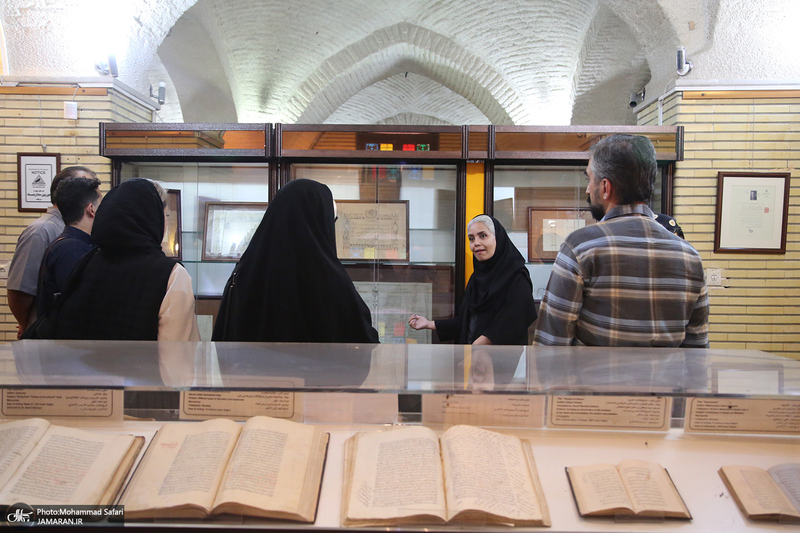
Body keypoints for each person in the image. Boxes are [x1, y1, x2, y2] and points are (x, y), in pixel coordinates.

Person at [533, 134, 708, 347]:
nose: (588, 189)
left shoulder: (581, 247)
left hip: (592, 380)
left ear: (605, 187)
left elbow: (551, 343)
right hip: (668, 381)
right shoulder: (690, 255)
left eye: (589, 179)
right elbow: (697, 351)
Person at [212, 179, 379, 343]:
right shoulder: (328, 279)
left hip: (251, 369)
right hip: (311, 370)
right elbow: (360, 339)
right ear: (320, 222)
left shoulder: (245, 271)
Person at [41, 178, 199, 341]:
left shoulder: (87, 262)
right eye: (165, 215)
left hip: (82, 365)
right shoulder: (170, 274)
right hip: (144, 366)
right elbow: (174, 355)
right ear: (153, 218)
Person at [409, 215, 537, 345]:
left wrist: (479, 346)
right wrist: (429, 324)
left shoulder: (517, 276)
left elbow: (514, 320)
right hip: (473, 357)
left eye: (483, 236)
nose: (476, 243)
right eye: (471, 238)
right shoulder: (476, 279)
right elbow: (467, 322)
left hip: (502, 358)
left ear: (497, 238)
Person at [7, 166, 93, 338]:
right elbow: (19, 290)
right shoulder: (42, 230)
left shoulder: (74, 228)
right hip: (45, 337)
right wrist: (28, 325)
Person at [35, 175, 102, 317]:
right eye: (101, 203)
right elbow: (79, 306)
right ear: (92, 209)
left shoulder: (74, 244)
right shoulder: (71, 250)